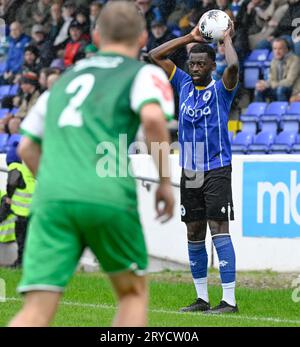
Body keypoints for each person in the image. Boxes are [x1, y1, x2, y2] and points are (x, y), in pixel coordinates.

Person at [9, 1, 175, 327]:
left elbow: (27, 146)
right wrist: (165, 183)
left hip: (54, 200)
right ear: (143, 39)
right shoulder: (143, 73)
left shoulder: (64, 81)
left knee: (36, 310)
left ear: (96, 37)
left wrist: (59, 182)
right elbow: (154, 119)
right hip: (106, 193)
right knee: (131, 295)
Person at [149, 22, 239, 314]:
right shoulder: (183, 83)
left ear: (213, 65)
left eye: (202, 63)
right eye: (193, 63)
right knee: (194, 231)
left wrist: (226, 41)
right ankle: (202, 298)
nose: (196, 67)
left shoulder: (222, 88)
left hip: (217, 167)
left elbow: (235, 68)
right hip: (190, 170)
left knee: (218, 228)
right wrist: (189, 37)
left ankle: (229, 300)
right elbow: (154, 55)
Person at [5, 138, 35, 268]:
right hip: (32, 211)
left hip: (23, 213)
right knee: (28, 240)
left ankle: (20, 263)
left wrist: (9, 196)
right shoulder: (25, 169)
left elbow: (12, 182)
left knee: (21, 239)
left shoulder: (15, 167)